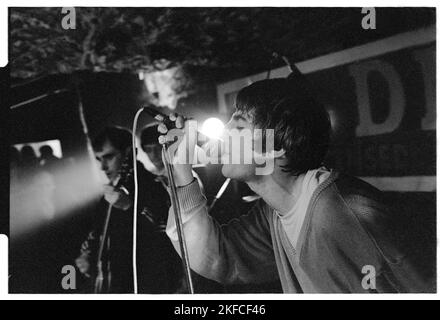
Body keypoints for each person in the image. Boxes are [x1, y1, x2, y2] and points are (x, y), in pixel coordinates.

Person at [157, 76, 432, 293]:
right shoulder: (275, 213)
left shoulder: (344, 212)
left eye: (239, 127)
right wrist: (181, 173)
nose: (224, 133)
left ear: (275, 146)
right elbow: (217, 258)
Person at [75, 126, 181, 293]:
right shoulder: (109, 192)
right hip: (114, 286)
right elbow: (97, 232)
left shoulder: (154, 185)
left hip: (146, 286)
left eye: (109, 157)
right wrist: (87, 255)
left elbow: (168, 233)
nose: (103, 166)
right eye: (99, 159)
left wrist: (130, 207)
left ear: (129, 153)